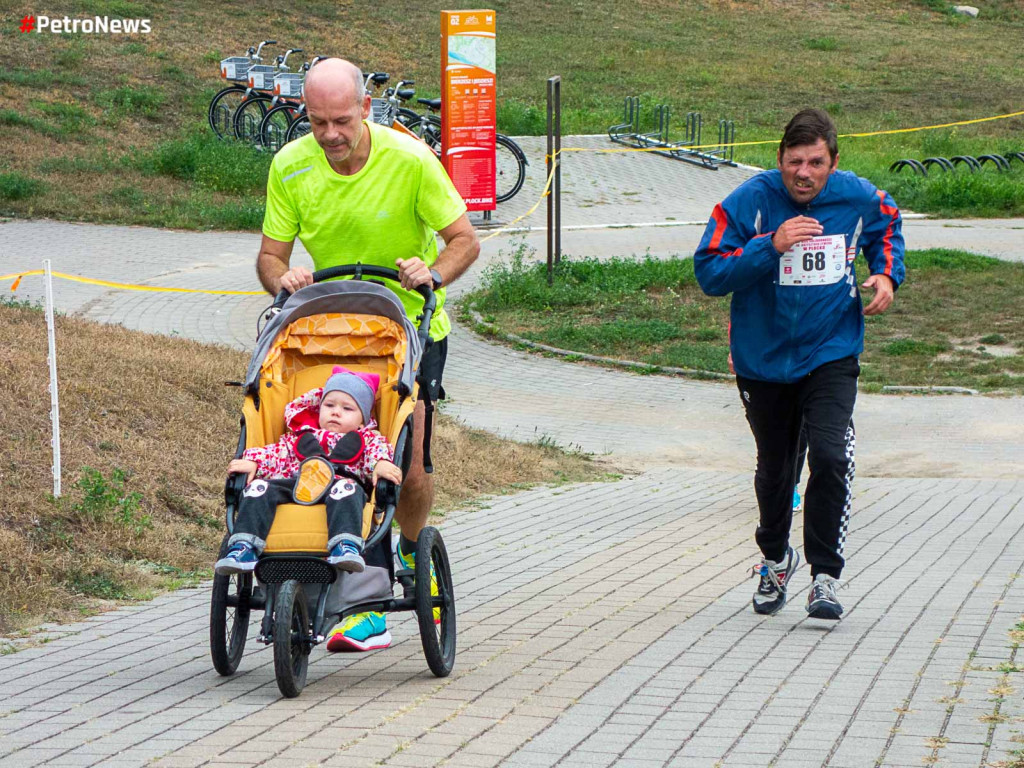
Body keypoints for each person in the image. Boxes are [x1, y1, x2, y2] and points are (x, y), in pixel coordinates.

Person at [255, 58, 480, 650]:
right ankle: (299, 562)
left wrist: (431, 270)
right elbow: (269, 258)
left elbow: (465, 241)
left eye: (342, 121)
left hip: (407, 330)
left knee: (405, 464)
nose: (330, 134)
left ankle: (404, 555)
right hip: (322, 335)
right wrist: (284, 277)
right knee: (298, 443)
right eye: (318, 120)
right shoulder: (290, 165)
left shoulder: (409, 161)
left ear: (366, 111)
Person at [694, 108, 905, 620]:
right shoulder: (751, 201)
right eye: (794, 162)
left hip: (831, 349)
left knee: (831, 456)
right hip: (763, 359)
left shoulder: (856, 196)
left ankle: (825, 576)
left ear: (833, 162)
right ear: (780, 160)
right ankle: (774, 558)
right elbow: (709, 270)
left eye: (815, 162)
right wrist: (772, 245)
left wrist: (885, 274)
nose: (804, 173)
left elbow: (888, 223)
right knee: (776, 471)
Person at [215, 367, 402, 576]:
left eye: (347, 409)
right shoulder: (301, 437)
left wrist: (381, 464)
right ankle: (244, 546)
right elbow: (276, 454)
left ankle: (345, 544)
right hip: (295, 485)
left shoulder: (368, 439)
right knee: (259, 488)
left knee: (349, 490)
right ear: (318, 407)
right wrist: (255, 462)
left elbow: (377, 453)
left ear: (362, 420)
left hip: (338, 487)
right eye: (329, 405)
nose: (335, 412)